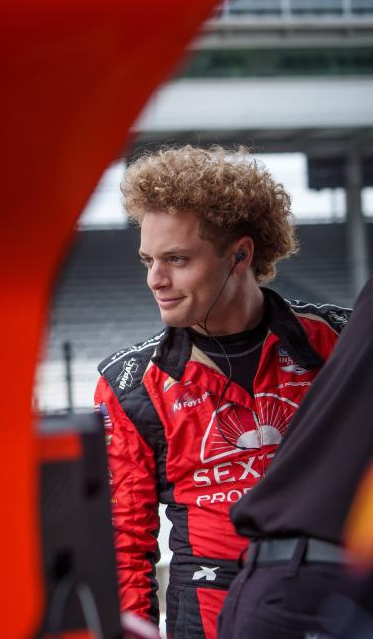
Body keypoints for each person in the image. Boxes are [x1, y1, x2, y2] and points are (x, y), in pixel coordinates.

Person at [93, 146, 351, 638]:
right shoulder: (127, 384)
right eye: (148, 259)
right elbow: (123, 542)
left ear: (241, 255)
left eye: (176, 259)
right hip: (209, 614)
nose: (155, 280)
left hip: (330, 602)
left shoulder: (337, 341)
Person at [218, 277, 373, 638]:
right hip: (312, 589)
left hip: (274, 585)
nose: (157, 279)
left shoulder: (329, 331)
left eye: (176, 259)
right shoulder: (138, 380)